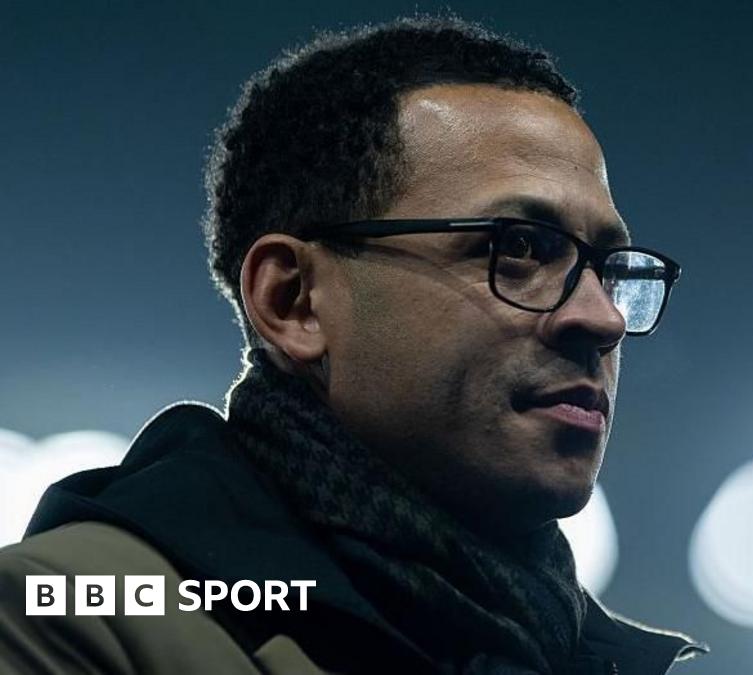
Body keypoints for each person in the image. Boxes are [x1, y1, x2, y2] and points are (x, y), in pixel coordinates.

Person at [0, 16, 705, 674]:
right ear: (293, 301)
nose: (603, 318)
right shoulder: (68, 614)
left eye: (611, 268)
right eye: (519, 247)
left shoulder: (591, 651)